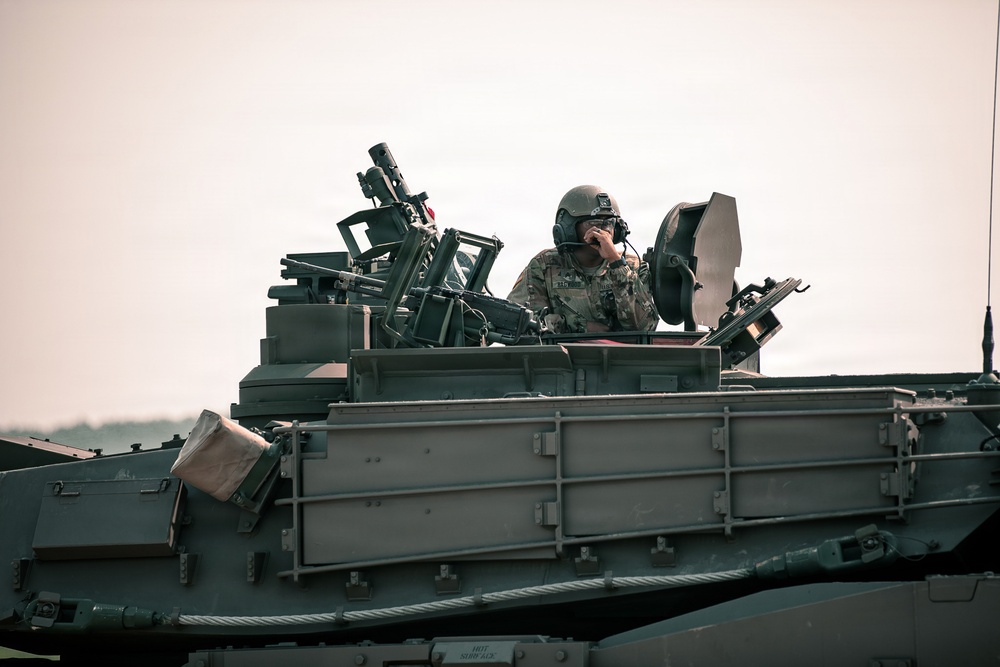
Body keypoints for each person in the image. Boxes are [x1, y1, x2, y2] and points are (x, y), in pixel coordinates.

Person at [507, 185, 658, 334]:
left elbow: (644, 327)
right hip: (560, 357)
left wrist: (617, 264)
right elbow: (517, 321)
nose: (604, 231)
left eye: (609, 223)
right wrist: (578, 326)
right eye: (594, 223)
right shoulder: (544, 266)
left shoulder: (634, 267)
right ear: (569, 229)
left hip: (621, 357)